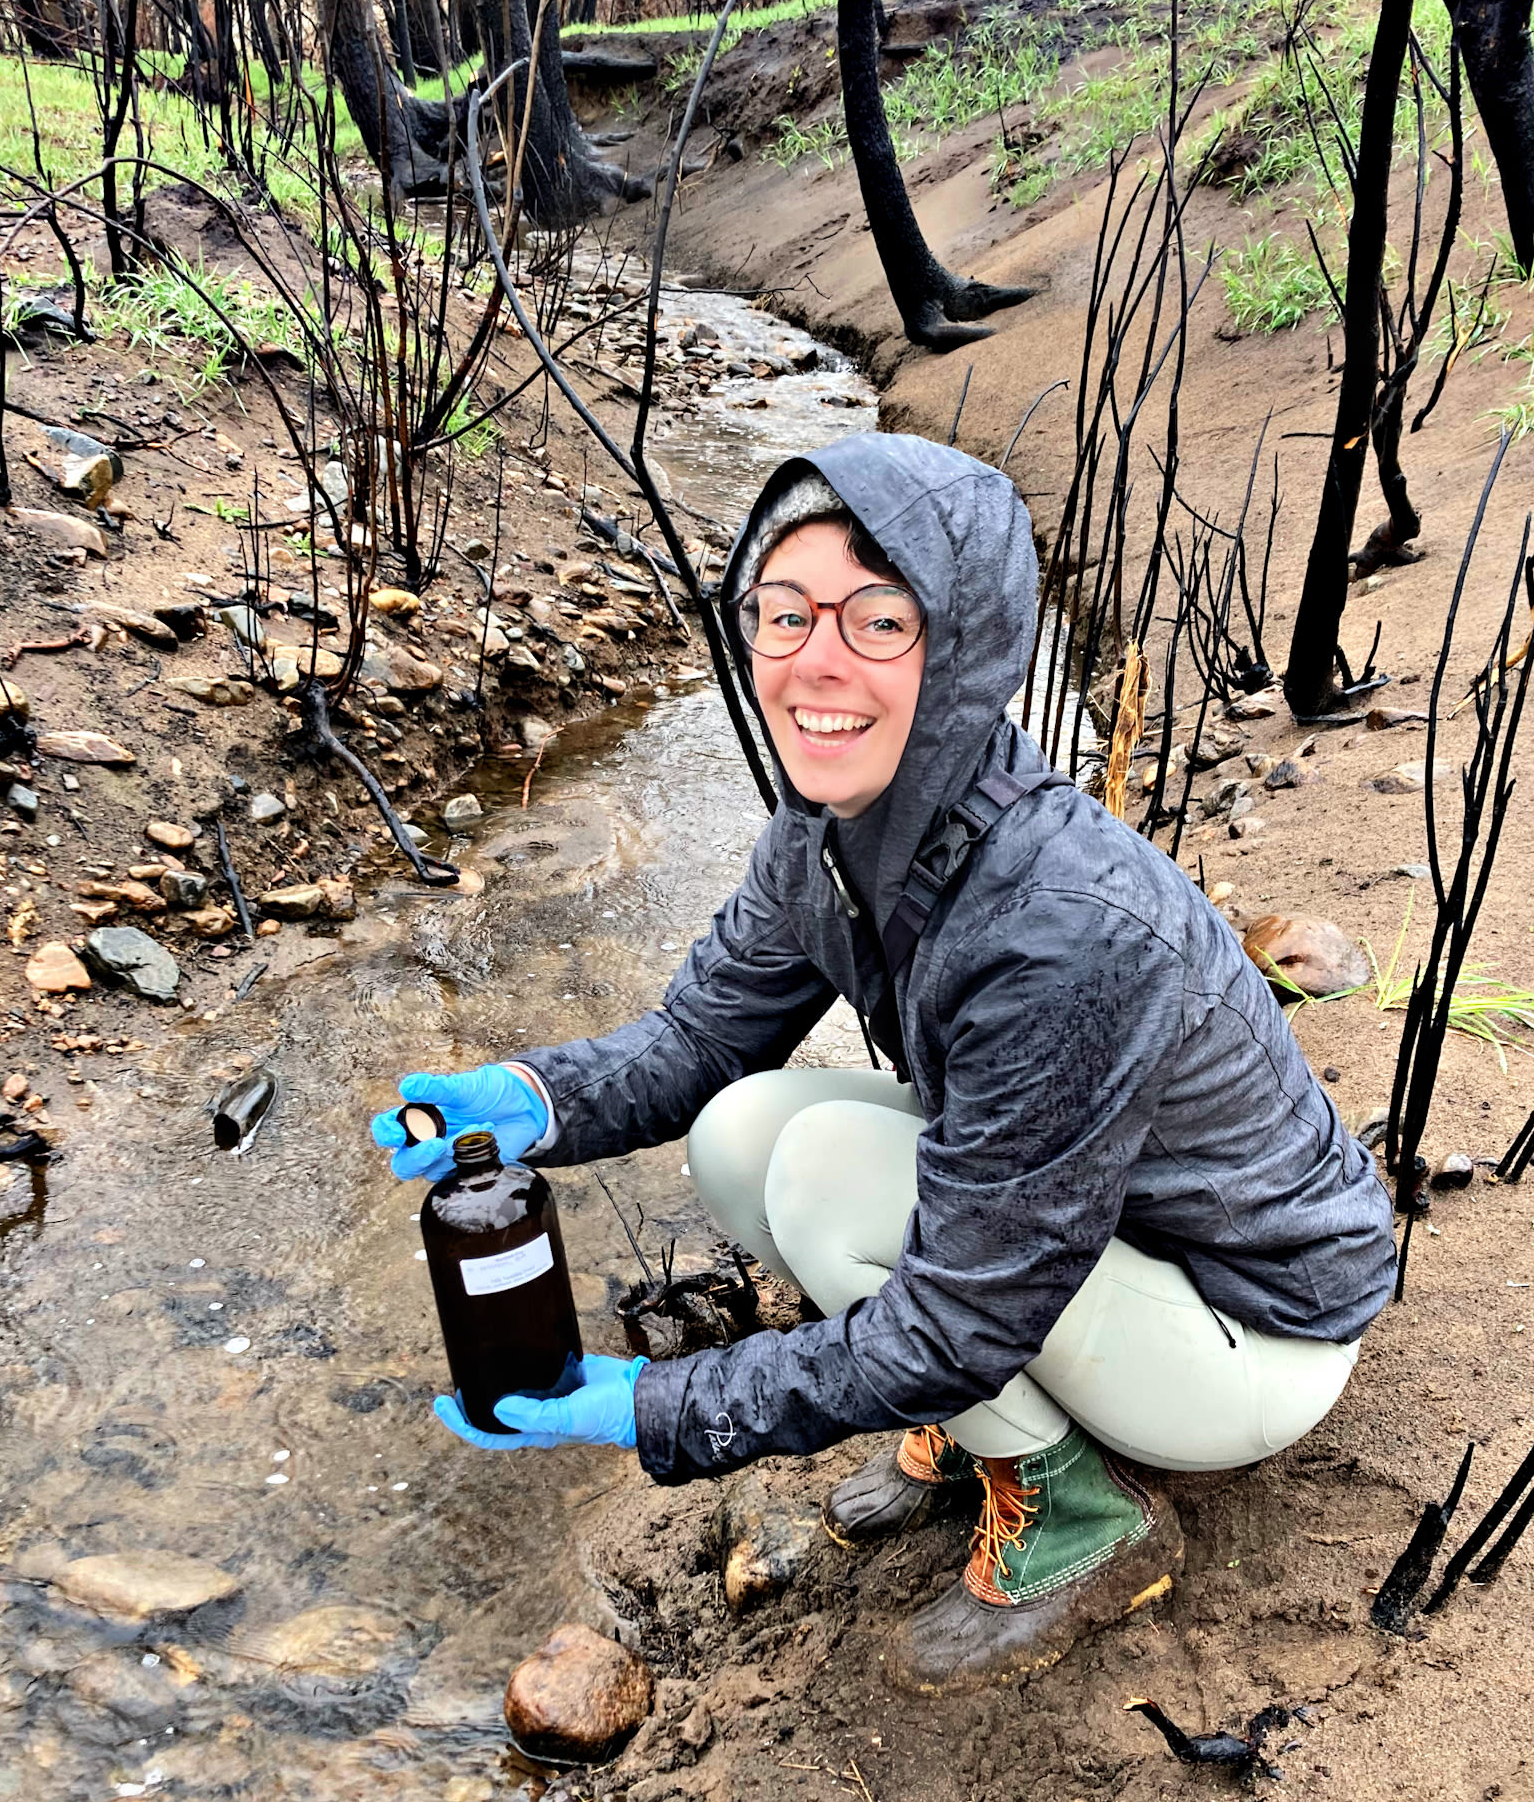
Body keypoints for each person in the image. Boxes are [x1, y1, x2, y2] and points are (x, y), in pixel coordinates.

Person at [372, 436, 1396, 1693]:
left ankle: (1085, 1519)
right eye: (784, 612)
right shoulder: (825, 841)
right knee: (741, 1131)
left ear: (963, 649)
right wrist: (525, 1102)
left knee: (822, 1178)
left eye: (879, 618)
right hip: (1101, 1248)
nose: (816, 658)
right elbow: (698, 1042)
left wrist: (651, 1407)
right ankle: (994, 1436)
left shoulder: (1062, 926)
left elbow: (960, 1313)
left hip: (1251, 1328)